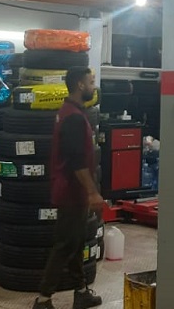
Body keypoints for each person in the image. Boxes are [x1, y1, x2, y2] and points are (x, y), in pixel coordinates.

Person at [33, 66, 105, 309]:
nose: (94, 86)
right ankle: (43, 299)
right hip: (71, 192)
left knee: (75, 242)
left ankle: (81, 291)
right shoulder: (73, 117)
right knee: (65, 244)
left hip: (72, 191)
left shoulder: (69, 111)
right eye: (91, 82)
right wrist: (92, 192)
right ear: (80, 85)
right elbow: (76, 162)